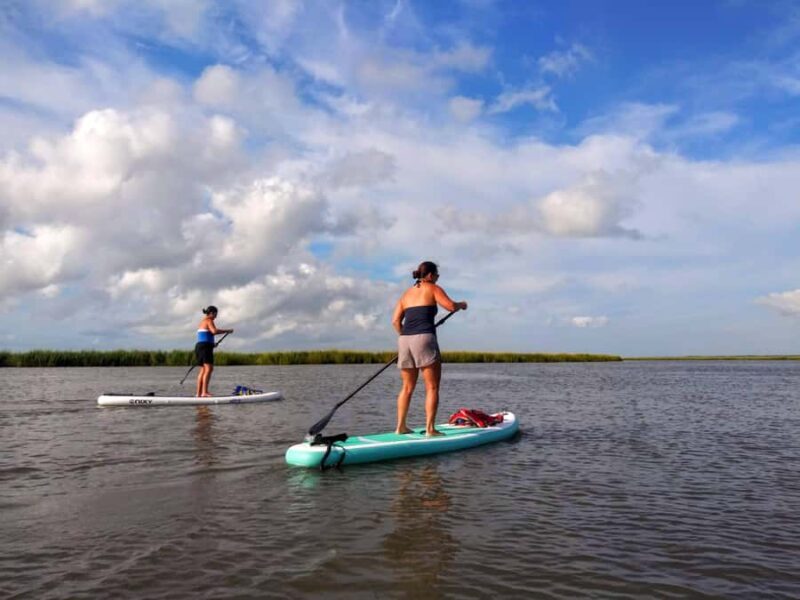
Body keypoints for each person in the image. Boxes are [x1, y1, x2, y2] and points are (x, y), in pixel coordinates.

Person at [391, 261, 467, 436]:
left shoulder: (406, 294)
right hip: (424, 338)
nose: (438, 278)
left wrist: (407, 336)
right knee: (432, 387)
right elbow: (449, 306)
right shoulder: (432, 288)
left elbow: (395, 321)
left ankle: (400, 427)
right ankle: (430, 429)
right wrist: (461, 304)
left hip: (404, 340)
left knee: (407, 387)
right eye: (437, 275)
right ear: (431, 275)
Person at [195, 306, 233, 397]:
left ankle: (198, 394)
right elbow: (214, 331)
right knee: (209, 369)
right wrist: (227, 330)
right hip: (205, 347)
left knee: (203, 370)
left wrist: (212, 344)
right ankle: (204, 392)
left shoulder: (202, 321)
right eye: (216, 314)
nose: (216, 316)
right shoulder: (209, 320)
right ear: (212, 313)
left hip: (200, 346)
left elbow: (205, 336)